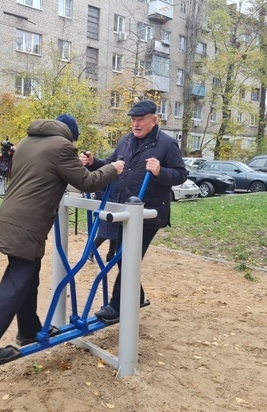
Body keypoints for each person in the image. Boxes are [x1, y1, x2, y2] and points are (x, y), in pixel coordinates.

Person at [0, 114, 125, 374]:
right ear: (70, 135)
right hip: (29, 222)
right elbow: (86, 182)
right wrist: (112, 169)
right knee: (16, 282)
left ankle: (29, 330)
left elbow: (38, 175)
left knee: (28, 277)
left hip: (12, 216)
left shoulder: (27, 141)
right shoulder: (63, 147)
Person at [81, 100, 188, 325]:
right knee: (122, 257)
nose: (135, 124)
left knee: (127, 258)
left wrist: (160, 171)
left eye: (140, 120)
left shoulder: (166, 144)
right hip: (125, 211)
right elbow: (111, 164)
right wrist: (93, 163)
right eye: (132, 120)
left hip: (149, 213)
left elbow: (180, 174)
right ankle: (136, 296)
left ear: (154, 120)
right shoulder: (125, 141)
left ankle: (117, 306)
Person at [88, 181, 119, 263]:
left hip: (118, 204)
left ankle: (110, 255)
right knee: (103, 233)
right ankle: (90, 251)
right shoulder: (110, 173)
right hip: (107, 205)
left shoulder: (124, 174)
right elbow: (98, 188)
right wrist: (106, 200)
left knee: (116, 233)